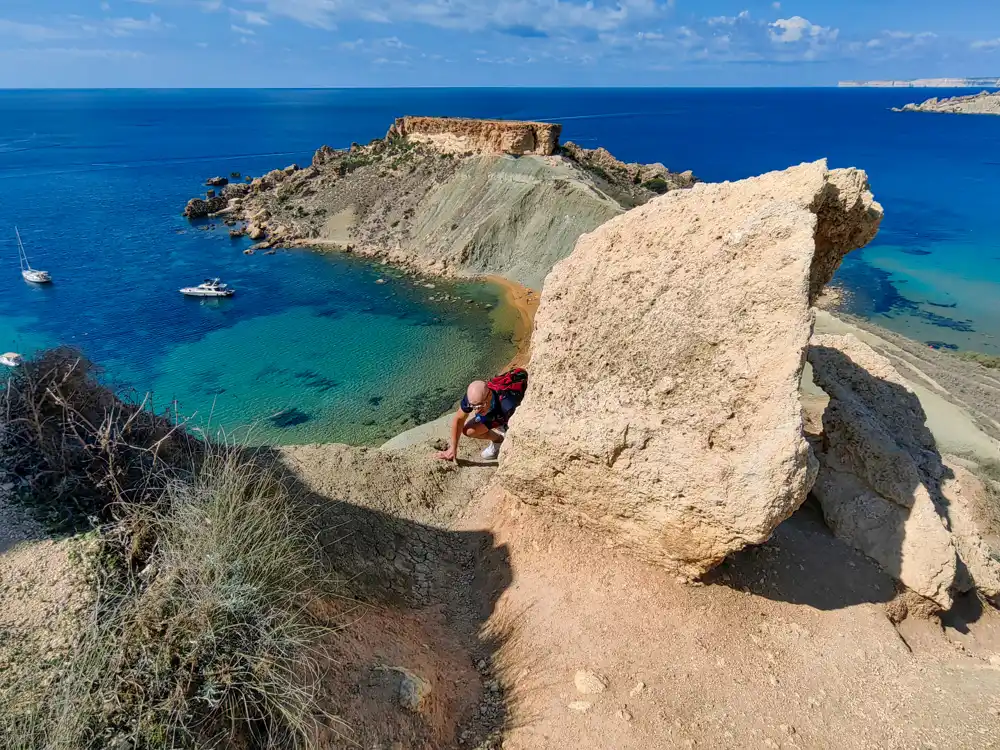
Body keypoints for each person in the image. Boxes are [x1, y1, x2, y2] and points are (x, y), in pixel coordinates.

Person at [436, 368, 528, 462]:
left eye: (480, 406)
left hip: (507, 413)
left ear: (489, 395)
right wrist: (453, 448)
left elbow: (523, 425)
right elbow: (459, 419)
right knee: (469, 430)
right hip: (495, 413)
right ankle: (498, 440)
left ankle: (504, 427)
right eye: (473, 407)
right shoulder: (473, 398)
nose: (476, 411)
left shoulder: (507, 404)